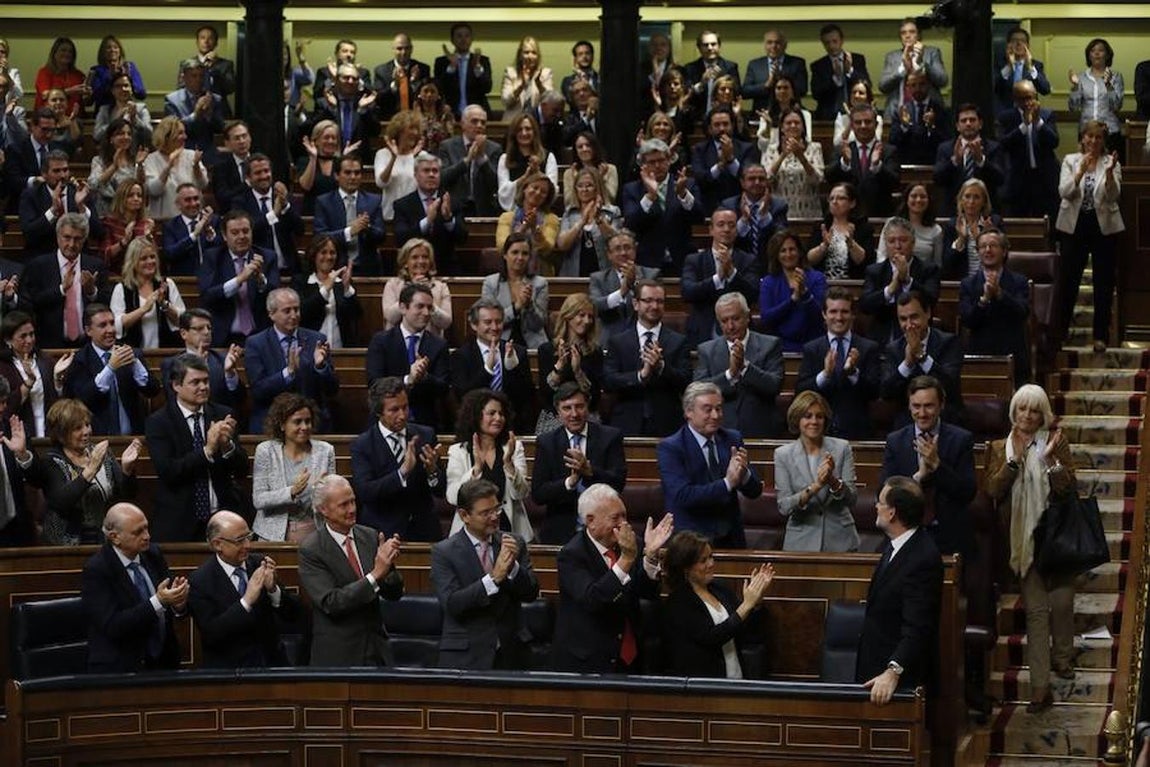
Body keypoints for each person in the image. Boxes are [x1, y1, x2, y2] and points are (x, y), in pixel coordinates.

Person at [985, 385, 1076, 713]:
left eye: (1034, 410)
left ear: (1043, 415)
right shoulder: (999, 447)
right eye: (1022, 409)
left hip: (1057, 537)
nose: (1027, 416)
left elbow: (1069, 490)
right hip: (1023, 540)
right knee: (1037, 613)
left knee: (1062, 603)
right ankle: (1041, 690)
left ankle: (1063, 658)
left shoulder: (1056, 442)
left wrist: (1051, 461)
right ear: (1014, 412)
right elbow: (992, 489)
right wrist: (1015, 461)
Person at [552, 483, 674, 673]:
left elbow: (647, 592)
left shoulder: (632, 544)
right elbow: (594, 599)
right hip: (589, 663)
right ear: (590, 521)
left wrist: (649, 556)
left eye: (624, 515)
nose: (624, 524)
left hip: (631, 657)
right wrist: (626, 559)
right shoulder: (572, 555)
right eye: (615, 518)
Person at [431, 477, 540, 670]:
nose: (494, 517)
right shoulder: (444, 552)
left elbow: (531, 592)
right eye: (485, 513)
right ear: (464, 515)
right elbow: (452, 604)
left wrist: (513, 568)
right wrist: (493, 579)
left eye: (496, 509)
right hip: (466, 657)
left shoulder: (514, 543)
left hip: (512, 654)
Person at [298, 474, 405, 667]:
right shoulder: (312, 549)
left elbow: (394, 594)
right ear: (324, 510)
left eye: (353, 501)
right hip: (338, 655)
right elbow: (331, 602)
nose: (352, 509)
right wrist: (375, 575)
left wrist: (389, 567)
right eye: (344, 505)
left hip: (376, 651)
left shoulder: (370, 536)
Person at [856, 476, 943, 705]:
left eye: (880, 503)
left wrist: (893, 671)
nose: (876, 506)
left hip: (899, 684)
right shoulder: (895, 545)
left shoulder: (922, 558)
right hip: (875, 668)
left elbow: (918, 626)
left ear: (892, 513)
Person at [146, 354, 248, 542]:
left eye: (206, 381)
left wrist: (227, 447)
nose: (203, 387)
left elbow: (242, 470)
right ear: (176, 385)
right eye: (195, 382)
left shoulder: (223, 414)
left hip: (222, 519)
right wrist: (207, 450)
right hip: (179, 522)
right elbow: (169, 471)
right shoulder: (159, 422)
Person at [81, 503, 187, 672]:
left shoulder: (153, 554)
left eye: (146, 528)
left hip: (163, 663)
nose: (147, 536)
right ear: (115, 537)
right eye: (138, 532)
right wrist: (158, 601)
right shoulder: (97, 569)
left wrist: (178, 603)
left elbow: (168, 602)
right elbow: (113, 625)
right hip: (121, 668)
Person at [188, 510, 300, 668]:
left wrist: (273, 590)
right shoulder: (200, 581)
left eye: (248, 536)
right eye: (239, 540)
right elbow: (212, 634)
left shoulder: (259, 564)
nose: (247, 545)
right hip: (230, 673)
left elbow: (294, 616)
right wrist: (246, 601)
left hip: (272, 665)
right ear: (217, 544)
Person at [658, 381, 763, 549]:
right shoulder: (671, 448)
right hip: (690, 543)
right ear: (688, 412)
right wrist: (727, 483)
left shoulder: (732, 439)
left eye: (719, 408)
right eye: (708, 410)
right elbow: (683, 496)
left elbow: (755, 491)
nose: (715, 415)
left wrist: (744, 474)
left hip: (731, 539)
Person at [881, 376, 975, 557]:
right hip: (906, 533)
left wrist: (937, 465)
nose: (922, 413)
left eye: (929, 406)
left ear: (942, 404)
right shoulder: (896, 441)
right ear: (909, 406)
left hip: (949, 536)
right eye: (916, 406)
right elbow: (884, 491)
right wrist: (917, 478)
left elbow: (967, 492)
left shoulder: (961, 440)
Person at [659, 531, 773, 677]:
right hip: (704, 686)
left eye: (711, 557)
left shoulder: (720, 589)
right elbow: (712, 637)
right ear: (686, 567)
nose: (711, 564)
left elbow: (745, 631)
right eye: (703, 560)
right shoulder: (679, 602)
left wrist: (756, 602)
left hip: (736, 678)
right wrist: (746, 606)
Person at [33, 398, 139, 545]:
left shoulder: (102, 453)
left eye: (87, 425)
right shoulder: (51, 461)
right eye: (78, 428)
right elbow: (62, 502)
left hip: (102, 538)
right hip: (64, 544)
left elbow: (127, 494)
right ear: (61, 434)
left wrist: (127, 469)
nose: (86, 431)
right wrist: (91, 469)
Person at [349, 377, 444, 541]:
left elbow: (441, 490)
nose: (402, 415)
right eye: (394, 410)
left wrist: (433, 472)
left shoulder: (425, 435)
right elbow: (365, 492)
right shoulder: (362, 445)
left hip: (424, 531)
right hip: (382, 534)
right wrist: (402, 473)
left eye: (405, 407)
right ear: (379, 412)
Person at [1057, 121, 1123, 353]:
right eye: (1089, 137)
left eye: (1098, 137)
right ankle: (1060, 333)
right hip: (1075, 226)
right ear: (1082, 138)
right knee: (1068, 280)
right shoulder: (1070, 160)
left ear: (1103, 140)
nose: (1093, 141)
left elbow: (1113, 196)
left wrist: (1109, 175)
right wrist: (1080, 172)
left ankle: (1100, 336)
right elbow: (1064, 192)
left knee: (1103, 283)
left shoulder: (1111, 162)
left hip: (1103, 226)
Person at [532, 382, 626, 545]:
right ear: (558, 411)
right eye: (567, 408)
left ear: (587, 407)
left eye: (579, 406)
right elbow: (538, 494)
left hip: (604, 530)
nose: (574, 414)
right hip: (561, 531)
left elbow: (618, 483)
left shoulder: (609, 437)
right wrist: (570, 482)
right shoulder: (547, 443)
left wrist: (590, 472)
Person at [245, 287, 338, 435]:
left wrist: (320, 367)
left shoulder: (317, 340)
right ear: (271, 314)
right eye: (287, 311)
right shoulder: (256, 343)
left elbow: (332, 389)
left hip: (311, 422)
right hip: (271, 422)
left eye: (296, 309)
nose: (294, 315)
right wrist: (287, 373)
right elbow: (258, 391)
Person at [774, 391, 859, 552]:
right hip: (801, 542)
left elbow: (852, 499)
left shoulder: (842, 448)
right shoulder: (783, 455)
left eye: (819, 416)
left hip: (840, 540)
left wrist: (833, 481)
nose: (814, 421)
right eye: (807, 416)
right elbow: (784, 506)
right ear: (797, 419)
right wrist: (816, 486)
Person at [603, 280, 691, 437]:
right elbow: (609, 381)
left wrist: (662, 367)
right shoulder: (618, 341)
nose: (655, 306)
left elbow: (686, 381)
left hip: (668, 423)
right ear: (636, 304)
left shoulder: (679, 341)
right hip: (627, 421)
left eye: (659, 301)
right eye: (648, 300)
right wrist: (640, 376)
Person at [61, 303, 160, 437]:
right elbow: (83, 399)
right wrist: (110, 368)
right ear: (88, 330)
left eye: (112, 323)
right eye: (103, 325)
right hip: (96, 439)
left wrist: (136, 365)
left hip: (133, 437)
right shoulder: (80, 360)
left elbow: (153, 390)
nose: (110, 330)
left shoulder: (130, 353)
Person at [446, 389, 532, 541]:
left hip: (509, 530)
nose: (498, 418)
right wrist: (476, 470)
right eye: (491, 413)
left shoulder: (514, 447)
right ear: (476, 416)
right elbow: (453, 497)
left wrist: (509, 464)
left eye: (501, 413)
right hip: (471, 532)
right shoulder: (458, 451)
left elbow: (521, 493)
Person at [693, 292, 784, 438]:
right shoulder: (706, 350)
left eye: (735, 319)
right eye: (724, 321)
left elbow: (774, 385)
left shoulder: (770, 345)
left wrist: (744, 367)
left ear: (747, 316)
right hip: (719, 432)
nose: (730, 326)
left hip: (761, 431)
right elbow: (698, 391)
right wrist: (730, 374)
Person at [796, 287, 881, 440]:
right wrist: (825, 375)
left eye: (844, 312)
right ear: (824, 314)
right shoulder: (812, 349)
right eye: (833, 312)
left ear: (853, 314)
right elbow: (801, 390)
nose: (839, 317)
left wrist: (853, 374)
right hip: (820, 432)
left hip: (857, 431)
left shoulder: (868, 348)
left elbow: (875, 391)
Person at [252, 393, 335, 543]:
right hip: (272, 536)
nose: (304, 427)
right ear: (282, 425)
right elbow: (259, 499)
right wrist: (292, 491)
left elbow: (333, 499)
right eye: (297, 422)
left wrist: (320, 490)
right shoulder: (266, 451)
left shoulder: (325, 451)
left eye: (308, 421)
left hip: (314, 533)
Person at [18, 214, 110, 349]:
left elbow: (108, 304)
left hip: (88, 346)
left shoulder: (95, 266)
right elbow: (30, 304)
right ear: (58, 237)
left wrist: (92, 292)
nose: (72, 244)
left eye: (77, 239)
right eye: (67, 237)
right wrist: (61, 289)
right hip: (49, 345)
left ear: (84, 240)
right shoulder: (38, 266)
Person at [367, 282, 450, 429]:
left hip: (424, 423)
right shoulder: (381, 341)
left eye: (429, 308)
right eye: (420, 306)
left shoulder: (439, 344)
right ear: (403, 308)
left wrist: (424, 377)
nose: (426, 313)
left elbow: (443, 388)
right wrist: (408, 379)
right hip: (385, 423)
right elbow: (375, 384)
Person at [451, 298, 536, 433]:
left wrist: (512, 368)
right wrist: (487, 370)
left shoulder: (517, 352)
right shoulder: (461, 355)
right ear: (474, 325)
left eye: (498, 322)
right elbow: (463, 395)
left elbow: (527, 396)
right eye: (488, 322)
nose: (494, 327)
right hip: (475, 427)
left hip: (511, 426)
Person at [621, 138, 703, 276]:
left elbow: (699, 217)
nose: (658, 165)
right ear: (642, 164)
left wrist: (683, 194)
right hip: (647, 263)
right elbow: (630, 223)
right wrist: (650, 196)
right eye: (652, 162)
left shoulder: (687, 184)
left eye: (661, 160)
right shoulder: (632, 189)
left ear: (669, 160)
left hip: (682, 260)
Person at [960, 229, 1031, 386]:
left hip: (1012, 354)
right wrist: (984, 300)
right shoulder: (968, 284)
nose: (988, 250)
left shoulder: (1019, 281)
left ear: (1004, 251)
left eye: (993, 245)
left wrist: (1000, 295)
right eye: (983, 246)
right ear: (978, 252)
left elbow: (1022, 312)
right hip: (979, 355)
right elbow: (967, 320)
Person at [880, 291, 963, 426]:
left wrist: (922, 356)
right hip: (907, 424)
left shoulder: (949, 343)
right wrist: (907, 364)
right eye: (903, 319)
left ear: (928, 313)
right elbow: (886, 393)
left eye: (914, 317)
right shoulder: (893, 349)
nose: (909, 325)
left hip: (946, 421)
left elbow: (949, 385)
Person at [198, 209, 279, 347]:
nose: (242, 236)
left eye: (246, 231)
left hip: (259, 335)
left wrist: (260, 279)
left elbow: (276, 298)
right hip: (224, 337)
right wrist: (239, 280)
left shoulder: (267, 257)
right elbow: (207, 295)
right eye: (235, 233)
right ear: (224, 235)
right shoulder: (213, 257)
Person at [681, 208, 760, 349]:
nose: (726, 229)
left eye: (731, 225)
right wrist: (718, 278)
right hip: (704, 332)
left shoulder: (748, 260)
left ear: (736, 230)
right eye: (721, 224)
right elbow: (688, 292)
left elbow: (753, 294)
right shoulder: (694, 260)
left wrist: (731, 273)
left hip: (741, 334)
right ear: (711, 229)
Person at [860, 218, 942, 344]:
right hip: (883, 339)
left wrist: (908, 281)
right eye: (892, 241)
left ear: (913, 243)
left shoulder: (928, 269)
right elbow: (865, 305)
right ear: (886, 244)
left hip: (920, 338)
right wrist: (891, 289)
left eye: (903, 240)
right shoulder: (874, 271)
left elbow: (931, 300)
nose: (897, 246)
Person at [392, 152, 468, 277]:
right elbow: (400, 239)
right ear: (416, 175)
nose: (431, 175)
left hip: (447, 269)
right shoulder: (402, 204)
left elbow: (463, 238)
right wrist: (427, 221)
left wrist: (448, 219)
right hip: (413, 270)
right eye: (426, 171)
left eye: (435, 171)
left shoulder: (452, 202)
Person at [19, 149, 104, 256]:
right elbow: (29, 234)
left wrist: (82, 207)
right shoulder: (31, 195)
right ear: (44, 174)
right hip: (44, 257)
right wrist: (53, 211)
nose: (63, 175)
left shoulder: (79, 193)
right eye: (56, 171)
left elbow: (99, 233)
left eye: (65, 170)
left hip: (77, 256)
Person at [997, 80, 1061, 221]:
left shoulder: (1047, 114)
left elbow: (1054, 142)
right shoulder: (1006, 117)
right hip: (1019, 180)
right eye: (1023, 98)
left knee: (1047, 223)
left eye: (1031, 97)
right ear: (1015, 99)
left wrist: (1038, 122)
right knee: (1020, 223)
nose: (1028, 102)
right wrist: (1024, 126)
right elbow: (1003, 144)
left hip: (1044, 179)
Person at [537, 293, 604, 424]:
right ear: (568, 316)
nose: (587, 321)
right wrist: (559, 367)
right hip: (554, 417)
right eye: (581, 315)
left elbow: (594, 397)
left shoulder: (595, 352)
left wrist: (578, 371)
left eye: (590, 317)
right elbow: (545, 395)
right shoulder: (547, 350)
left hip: (586, 416)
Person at [160, 309, 244, 412]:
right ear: (183, 334)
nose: (206, 332)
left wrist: (230, 374)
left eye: (209, 328)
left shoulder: (223, 360)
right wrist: (196, 365)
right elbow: (172, 401)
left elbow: (240, 400)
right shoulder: (171, 364)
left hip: (219, 420)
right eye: (199, 329)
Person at [313, 155, 386, 276]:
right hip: (335, 266)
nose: (353, 177)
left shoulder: (374, 201)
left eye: (357, 173)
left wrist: (366, 227)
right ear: (337, 175)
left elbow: (382, 235)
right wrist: (349, 232)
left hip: (367, 268)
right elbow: (320, 236)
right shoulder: (324, 202)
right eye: (347, 172)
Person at [0, 311, 67, 439]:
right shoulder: (3, 367)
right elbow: (7, 408)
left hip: (48, 434)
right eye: (23, 336)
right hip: (17, 435)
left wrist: (58, 380)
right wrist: (29, 382)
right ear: (8, 339)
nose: (29, 340)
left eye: (31, 334)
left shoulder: (46, 361)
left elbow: (58, 401)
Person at [825, 103, 899, 218]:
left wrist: (877, 166)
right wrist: (844, 163)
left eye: (868, 122)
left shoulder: (888, 151)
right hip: (847, 217)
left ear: (876, 124)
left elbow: (895, 182)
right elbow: (829, 178)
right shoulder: (842, 150)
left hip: (879, 215)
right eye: (858, 122)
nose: (863, 126)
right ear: (852, 126)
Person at [759, 229, 827, 353]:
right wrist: (793, 300)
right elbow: (766, 318)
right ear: (776, 255)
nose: (788, 254)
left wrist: (805, 293)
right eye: (783, 251)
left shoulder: (817, 278)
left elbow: (820, 317)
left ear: (800, 252)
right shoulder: (769, 282)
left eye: (792, 249)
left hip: (812, 346)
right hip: (780, 348)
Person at [108, 238, 183, 349]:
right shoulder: (121, 289)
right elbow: (116, 325)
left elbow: (182, 320)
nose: (150, 262)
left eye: (152, 257)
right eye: (143, 258)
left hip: (166, 352)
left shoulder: (167, 284)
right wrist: (143, 309)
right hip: (132, 354)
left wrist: (164, 304)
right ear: (133, 262)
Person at [933, 104, 1006, 218]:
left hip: (986, 215)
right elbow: (937, 179)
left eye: (972, 120)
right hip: (953, 213)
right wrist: (954, 161)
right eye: (963, 121)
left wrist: (981, 161)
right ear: (957, 126)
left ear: (980, 124)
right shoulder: (945, 148)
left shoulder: (993, 148)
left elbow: (1000, 178)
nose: (968, 124)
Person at [589, 229, 661, 342]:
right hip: (609, 340)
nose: (623, 253)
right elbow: (595, 306)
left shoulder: (652, 274)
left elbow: (653, 304)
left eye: (627, 247)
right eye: (617, 249)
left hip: (643, 339)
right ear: (609, 254)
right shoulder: (598, 279)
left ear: (635, 250)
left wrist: (635, 283)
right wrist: (622, 292)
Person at [482, 232, 549, 350]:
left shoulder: (540, 284)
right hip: (500, 342)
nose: (520, 258)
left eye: (525, 254)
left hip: (533, 344)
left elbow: (538, 324)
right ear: (505, 255)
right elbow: (489, 321)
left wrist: (529, 306)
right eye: (515, 252)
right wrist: (516, 307)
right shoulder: (491, 283)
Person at [294, 235, 361, 349]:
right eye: (323, 252)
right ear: (314, 255)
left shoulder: (342, 282)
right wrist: (325, 289)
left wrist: (347, 288)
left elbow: (356, 314)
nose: (329, 257)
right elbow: (303, 313)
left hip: (341, 349)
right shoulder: (302, 282)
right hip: (310, 350)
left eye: (332, 252)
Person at [436, 104, 502, 218]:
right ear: (463, 124)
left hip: (483, 210)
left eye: (483, 122)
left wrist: (482, 158)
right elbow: (442, 178)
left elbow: (495, 184)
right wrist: (466, 161)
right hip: (454, 210)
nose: (479, 126)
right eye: (474, 121)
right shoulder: (447, 146)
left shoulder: (494, 149)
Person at [380, 238, 453, 338]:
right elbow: (391, 317)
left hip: (430, 344)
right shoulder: (393, 285)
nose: (421, 261)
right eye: (415, 257)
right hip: (398, 343)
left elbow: (446, 322)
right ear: (405, 262)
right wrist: (411, 289)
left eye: (425, 257)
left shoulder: (440, 287)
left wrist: (430, 305)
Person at [877, 18, 948, 121]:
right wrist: (902, 70)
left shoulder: (932, 52)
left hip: (930, 113)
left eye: (912, 32)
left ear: (919, 35)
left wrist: (922, 63)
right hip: (897, 112)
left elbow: (942, 81)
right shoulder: (892, 57)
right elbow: (883, 86)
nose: (907, 36)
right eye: (903, 33)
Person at [557, 167, 621, 278]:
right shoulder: (570, 213)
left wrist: (598, 218)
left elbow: (616, 243)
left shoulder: (612, 212)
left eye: (589, 185)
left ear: (598, 188)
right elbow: (562, 244)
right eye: (580, 186)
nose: (584, 190)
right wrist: (582, 222)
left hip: (604, 274)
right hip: (574, 275)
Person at [760, 109, 822, 221]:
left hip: (808, 213)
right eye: (788, 123)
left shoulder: (815, 148)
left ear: (803, 127)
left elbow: (817, 179)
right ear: (782, 128)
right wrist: (783, 155)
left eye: (797, 123)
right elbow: (766, 180)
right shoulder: (770, 150)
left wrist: (801, 157)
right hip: (779, 214)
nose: (793, 126)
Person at [495, 172, 560, 277]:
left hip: (541, 273)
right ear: (525, 188)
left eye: (543, 192)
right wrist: (524, 227)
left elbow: (547, 248)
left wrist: (534, 229)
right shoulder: (506, 217)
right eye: (535, 188)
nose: (538, 193)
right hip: (510, 274)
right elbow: (502, 246)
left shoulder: (551, 219)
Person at [143, 115, 208, 220]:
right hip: (163, 221)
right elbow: (154, 190)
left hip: (191, 221)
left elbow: (203, 184)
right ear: (167, 136)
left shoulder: (191, 155)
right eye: (180, 133)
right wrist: (169, 166)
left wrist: (196, 167)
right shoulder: (151, 160)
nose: (185, 137)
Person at [1068, 38, 1125, 158]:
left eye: (1101, 50)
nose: (1097, 53)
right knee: (1087, 168)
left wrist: (1108, 85)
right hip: (1086, 132)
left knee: (1110, 169)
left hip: (1110, 132)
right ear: (1089, 55)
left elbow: (1117, 105)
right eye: (1093, 51)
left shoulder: (1116, 77)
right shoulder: (1081, 78)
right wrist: (1075, 87)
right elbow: (1073, 107)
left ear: (1107, 55)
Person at [690, 106, 752, 215]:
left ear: (732, 125)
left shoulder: (746, 148)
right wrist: (720, 166)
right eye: (717, 125)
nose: (722, 128)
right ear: (709, 128)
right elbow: (700, 179)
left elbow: (749, 179)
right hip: (709, 209)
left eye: (725, 124)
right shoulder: (699, 150)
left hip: (740, 209)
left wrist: (731, 159)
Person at [313, 62, 379, 165]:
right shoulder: (324, 102)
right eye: (346, 78)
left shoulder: (366, 102)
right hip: (329, 162)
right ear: (336, 80)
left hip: (358, 164)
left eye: (355, 78)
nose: (350, 81)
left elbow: (375, 131)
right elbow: (314, 131)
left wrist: (363, 110)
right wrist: (331, 108)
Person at [806, 182, 874, 280]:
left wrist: (851, 244)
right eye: (831, 198)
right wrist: (824, 246)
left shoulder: (862, 227)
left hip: (853, 285)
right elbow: (810, 259)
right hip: (823, 283)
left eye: (841, 198)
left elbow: (863, 261)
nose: (834, 202)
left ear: (852, 203)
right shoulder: (822, 226)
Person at [941, 178, 1005, 280]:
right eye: (967, 196)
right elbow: (947, 265)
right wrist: (961, 240)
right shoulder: (953, 225)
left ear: (984, 201)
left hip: (991, 279)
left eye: (976, 197)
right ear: (961, 200)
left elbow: (1003, 258)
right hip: (962, 284)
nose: (971, 201)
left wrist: (982, 238)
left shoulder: (994, 222)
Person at [164, 59, 226, 162]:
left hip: (207, 153)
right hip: (182, 153)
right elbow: (173, 130)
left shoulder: (214, 99)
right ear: (184, 78)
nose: (198, 80)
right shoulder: (172, 100)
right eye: (194, 76)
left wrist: (209, 115)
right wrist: (195, 115)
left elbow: (220, 128)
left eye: (201, 76)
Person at [497, 113, 559, 213]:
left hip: (542, 213)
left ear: (534, 132)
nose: (524, 133)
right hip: (513, 213)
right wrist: (524, 178)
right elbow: (504, 192)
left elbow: (553, 190)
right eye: (519, 130)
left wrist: (538, 173)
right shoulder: (505, 159)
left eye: (528, 129)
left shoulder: (548, 157)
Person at [87, 118, 148, 219]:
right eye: (121, 133)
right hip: (106, 215)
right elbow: (93, 185)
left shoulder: (134, 161)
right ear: (111, 138)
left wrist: (140, 165)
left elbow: (142, 188)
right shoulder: (99, 161)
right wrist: (114, 167)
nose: (126, 137)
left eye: (129, 134)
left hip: (130, 216)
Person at [887, 71, 950, 166]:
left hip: (933, 164)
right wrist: (905, 126)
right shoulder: (901, 111)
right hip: (907, 165)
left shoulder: (940, 110)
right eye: (913, 85)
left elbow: (946, 141)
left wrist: (931, 127)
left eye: (922, 84)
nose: (918, 89)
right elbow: (892, 141)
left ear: (928, 85)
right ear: (907, 88)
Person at [810, 24, 870, 121]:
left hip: (856, 113)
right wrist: (836, 78)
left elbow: (867, 85)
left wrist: (850, 71)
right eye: (827, 43)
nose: (831, 46)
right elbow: (816, 94)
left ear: (842, 41)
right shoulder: (818, 65)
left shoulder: (857, 59)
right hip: (828, 116)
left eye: (834, 41)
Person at [876, 183, 943, 268]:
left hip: (922, 277)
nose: (918, 200)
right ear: (906, 199)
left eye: (923, 197)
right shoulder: (892, 223)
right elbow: (881, 255)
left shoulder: (936, 230)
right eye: (914, 196)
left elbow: (937, 263)